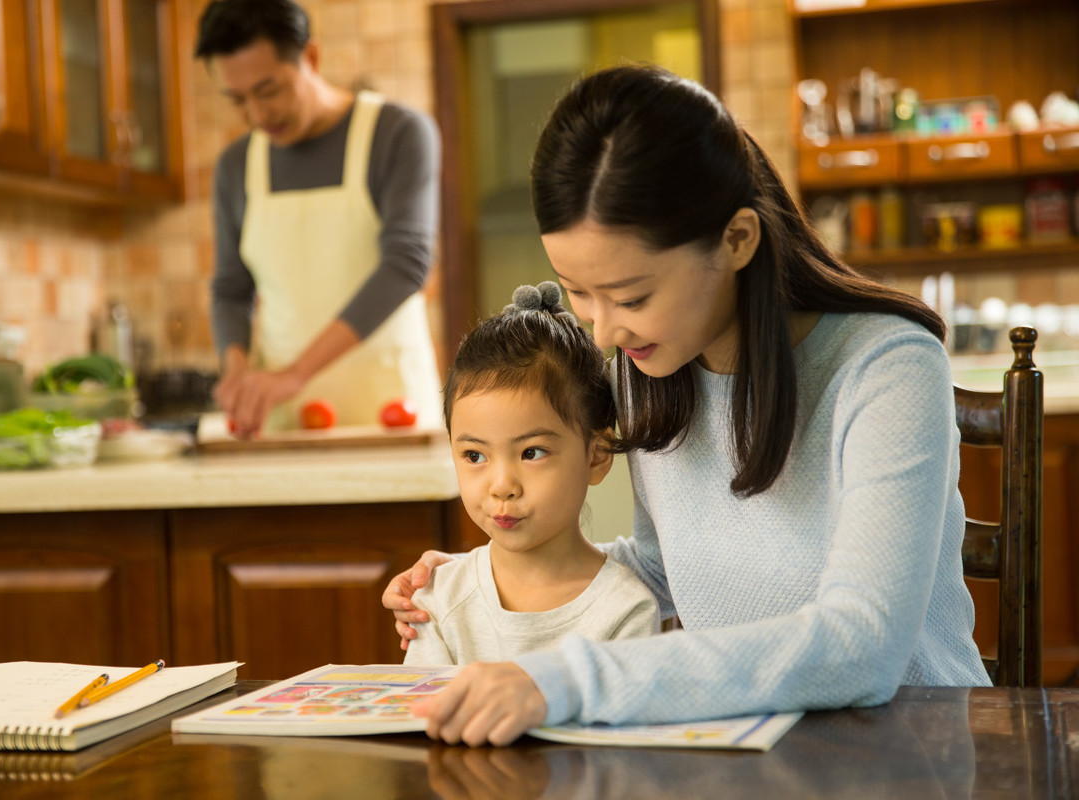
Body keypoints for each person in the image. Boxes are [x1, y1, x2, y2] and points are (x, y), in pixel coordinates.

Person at [382, 64, 990, 747]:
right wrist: (489, 577)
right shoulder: (651, 363)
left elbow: (862, 643)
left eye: (632, 297)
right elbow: (668, 570)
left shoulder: (887, 367)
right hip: (744, 758)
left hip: (906, 756)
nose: (604, 332)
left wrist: (564, 678)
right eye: (578, 292)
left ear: (736, 241)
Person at [194, 0, 442, 437]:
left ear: (310, 57)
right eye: (237, 100)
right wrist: (236, 370)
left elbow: (407, 264)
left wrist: (295, 372)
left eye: (268, 90)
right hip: (286, 419)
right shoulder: (236, 166)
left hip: (391, 414)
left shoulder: (398, 134)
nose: (257, 115)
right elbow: (231, 289)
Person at [403, 282, 660, 666]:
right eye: (474, 455)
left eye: (531, 452)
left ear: (597, 455)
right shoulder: (438, 598)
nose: (502, 486)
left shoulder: (625, 608)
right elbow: (423, 719)